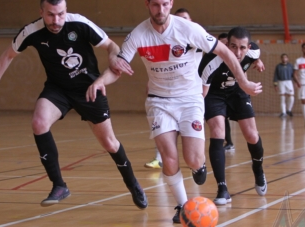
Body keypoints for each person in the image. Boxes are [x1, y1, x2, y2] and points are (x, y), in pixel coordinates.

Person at [87, 0, 262, 223]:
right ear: (147, 5)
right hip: (159, 102)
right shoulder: (138, 35)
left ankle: (199, 165)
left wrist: (244, 82)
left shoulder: (189, 29)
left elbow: (226, 53)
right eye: (155, 5)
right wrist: (101, 81)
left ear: (170, 3)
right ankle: (182, 207)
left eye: (164, 4)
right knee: (169, 159)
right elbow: (118, 68)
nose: (160, 10)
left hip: (190, 99)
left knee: (193, 159)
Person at [0, 0, 147, 209]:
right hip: (58, 89)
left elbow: (111, 45)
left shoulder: (79, 23)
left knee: (110, 143)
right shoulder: (31, 31)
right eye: (50, 15)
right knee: (39, 122)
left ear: (66, 11)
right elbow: (7, 55)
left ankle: (132, 183)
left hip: (89, 88)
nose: (56, 21)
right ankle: (59, 185)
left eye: (60, 14)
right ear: (41, 12)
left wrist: (113, 58)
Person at [199, 27, 267, 205]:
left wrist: (257, 61)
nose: (237, 52)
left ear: (248, 47)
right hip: (214, 95)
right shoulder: (211, 61)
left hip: (237, 92)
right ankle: (222, 188)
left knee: (252, 135)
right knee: (218, 132)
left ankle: (258, 169)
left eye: (242, 48)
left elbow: (254, 54)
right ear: (226, 44)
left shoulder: (253, 51)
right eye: (233, 46)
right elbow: (202, 94)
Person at [144, 7, 196, 169]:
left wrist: (254, 59)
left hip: (191, 95)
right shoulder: (165, 41)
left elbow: (222, 50)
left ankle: (196, 162)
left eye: (185, 19)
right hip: (165, 97)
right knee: (163, 129)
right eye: (178, 18)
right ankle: (159, 158)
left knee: (192, 145)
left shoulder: (196, 38)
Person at [216, 32, 235, 151]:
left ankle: (229, 142)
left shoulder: (234, 58)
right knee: (221, 119)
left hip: (232, 93)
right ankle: (227, 142)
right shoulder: (213, 58)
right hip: (218, 94)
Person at [274, 53, 295, 118]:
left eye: (285, 57)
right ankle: (283, 112)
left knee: (291, 97)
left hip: (289, 82)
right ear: (281, 59)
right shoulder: (278, 66)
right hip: (281, 82)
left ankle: (289, 110)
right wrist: (275, 84)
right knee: (282, 97)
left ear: (287, 58)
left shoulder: (290, 66)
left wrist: (296, 82)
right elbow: (275, 76)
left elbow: (294, 75)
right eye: (283, 57)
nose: (284, 59)